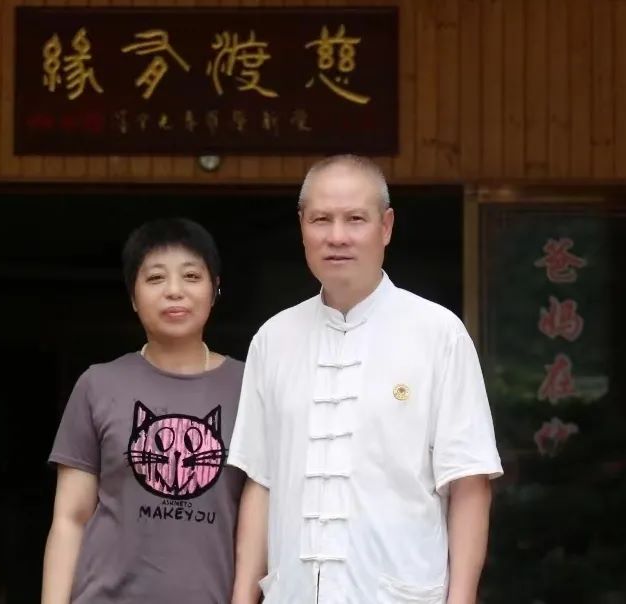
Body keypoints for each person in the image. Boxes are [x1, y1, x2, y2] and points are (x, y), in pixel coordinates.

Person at [227, 155, 503, 604]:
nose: (337, 236)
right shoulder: (273, 339)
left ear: (386, 226)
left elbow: (469, 483)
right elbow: (261, 482)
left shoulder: (438, 333)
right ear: (302, 227)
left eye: (355, 219)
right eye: (321, 219)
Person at [42, 218, 246, 604]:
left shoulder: (250, 387)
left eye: (191, 276)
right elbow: (70, 519)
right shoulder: (98, 385)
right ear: (133, 296)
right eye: (155, 278)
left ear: (215, 289)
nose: (174, 291)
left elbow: (260, 518)